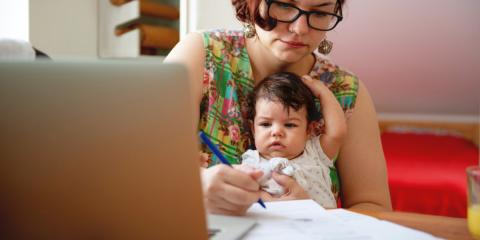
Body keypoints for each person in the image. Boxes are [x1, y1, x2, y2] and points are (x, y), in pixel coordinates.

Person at [165, 0, 392, 215]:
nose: (300, 28)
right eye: (284, 5)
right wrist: (193, 188)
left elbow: (374, 209)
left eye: (321, 12)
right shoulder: (203, 55)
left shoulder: (345, 91)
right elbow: (139, 174)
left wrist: (315, 212)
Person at [241, 72, 346, 209]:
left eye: (290, 125)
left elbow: (337, 133)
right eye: (266, 124)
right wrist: (264, 198)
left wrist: (323, 93)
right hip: (274, 225)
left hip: (322, 225)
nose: (276, 132)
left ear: (309, 130)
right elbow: (246, 191)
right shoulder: (252, 161)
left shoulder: (315, 152)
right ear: (253, 129)